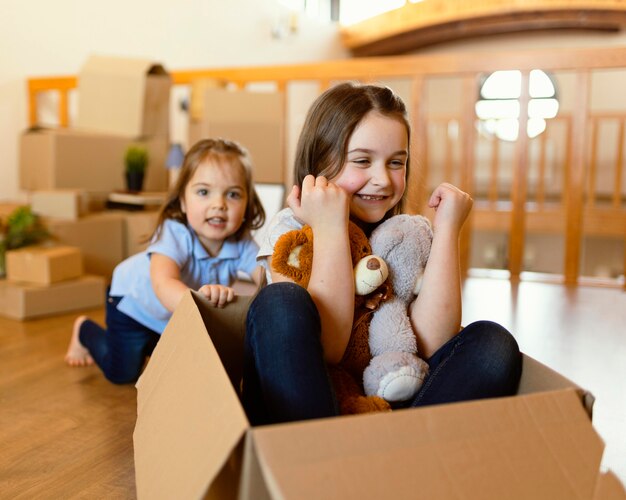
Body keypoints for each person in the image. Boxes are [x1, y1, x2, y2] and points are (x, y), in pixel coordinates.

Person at [242, 82, 522, 425]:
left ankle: (402, 452)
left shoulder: (405, 235)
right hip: (314, 410)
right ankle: (325, 459)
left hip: (390, 396)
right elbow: (329, 347)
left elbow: (432, 343)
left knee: (493, 344)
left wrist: (447, 229)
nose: (383, 180)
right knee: (279, 301)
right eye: (362, 160)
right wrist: (330, 227)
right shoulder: (291, 229)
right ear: (318, 162)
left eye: (396, 162)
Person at [65, 138, 266, 384]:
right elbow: (164, 283)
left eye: (233, 194)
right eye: (203, 192)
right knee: (122, 374)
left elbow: (267, 275)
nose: (219, 205)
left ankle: (151, 343)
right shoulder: (175, 232)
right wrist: (204, 303)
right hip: (132, 303)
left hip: (171, 317)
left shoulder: (242, 243)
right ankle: (84, 330)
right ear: (182, 200)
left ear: (247, 203)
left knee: (183, 366)